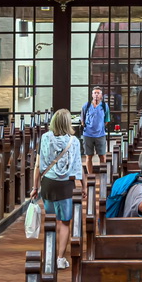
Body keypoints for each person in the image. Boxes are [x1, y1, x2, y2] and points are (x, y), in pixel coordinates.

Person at [32, 109, 83, 270]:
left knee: (51, 220)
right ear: (68, 123)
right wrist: (82, 185)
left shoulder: (45, 138)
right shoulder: (73, 141)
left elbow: (38, 166)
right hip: (66, 184)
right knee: (65, 222)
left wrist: (35, 187)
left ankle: (50, 255)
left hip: (48, 183)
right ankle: (60, 258)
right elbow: (77, 166)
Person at [80, 88, 109, 158]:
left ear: (101, 95)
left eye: (98, 93)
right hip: (88, 135)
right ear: (92, 95)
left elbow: (107, 120)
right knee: (88, 156)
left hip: (100, 135)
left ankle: (103, 169)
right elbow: (82, 120)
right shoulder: (86, 105)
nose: (96, 95)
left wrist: (100, 127)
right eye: (95, 93)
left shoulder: (105, 106)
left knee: (102, 155)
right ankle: (90, 169)